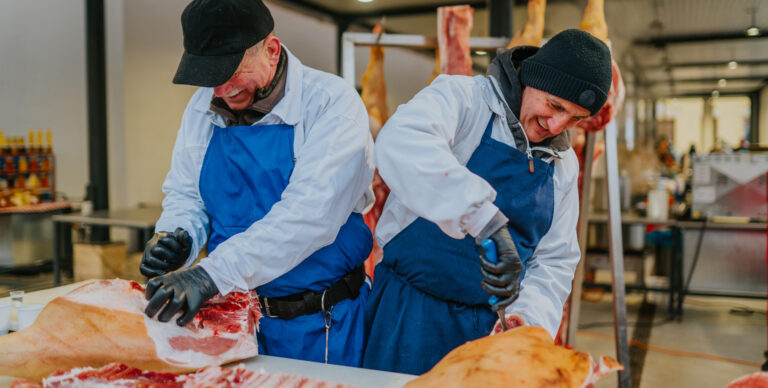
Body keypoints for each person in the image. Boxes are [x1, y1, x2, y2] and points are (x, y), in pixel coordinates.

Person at [139, 0, 374, 367]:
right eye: (209, 75)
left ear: (271, 50)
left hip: (320, 324)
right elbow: (188, 193)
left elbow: (309, 216)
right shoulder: (203, 106)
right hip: (232, 320)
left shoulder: (331, 103)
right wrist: (178, 235)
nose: (221, 90)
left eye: (230, 72)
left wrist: (209, 275)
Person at [363, 29, 613, 374]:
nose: (557, 125)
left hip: (490, 333)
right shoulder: (464, 100)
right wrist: (484, 221)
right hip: (408, 314)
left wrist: (525, 319)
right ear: (531, 79)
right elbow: (400, 142)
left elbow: (555, 259)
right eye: (554, 106)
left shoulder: (563, 165)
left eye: (574, 118)